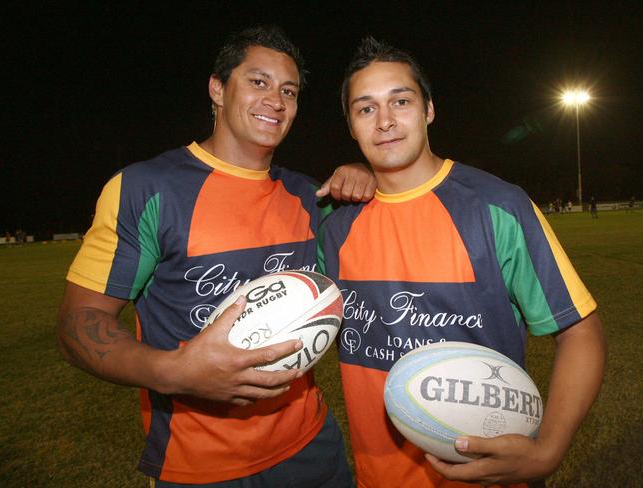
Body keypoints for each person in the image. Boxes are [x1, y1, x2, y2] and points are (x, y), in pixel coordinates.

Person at [56, 26, 376, 487]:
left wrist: (365, 170)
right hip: (201, 469)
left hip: (312, 448)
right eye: (258, 82)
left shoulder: (310, 195)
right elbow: (77, 323)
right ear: (217, 88)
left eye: (289, 90)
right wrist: (173, 371)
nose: (277, 100)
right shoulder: (146, 189)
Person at [318, 37, 606, 488]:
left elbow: (580, 331)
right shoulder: (334, 224)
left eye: (401, 100)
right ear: (352, 126)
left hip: (489, 479)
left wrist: (548, 450)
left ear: (429, 109)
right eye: (366, 109)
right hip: (378, 476)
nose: (386, 121)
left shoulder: (496, 206)